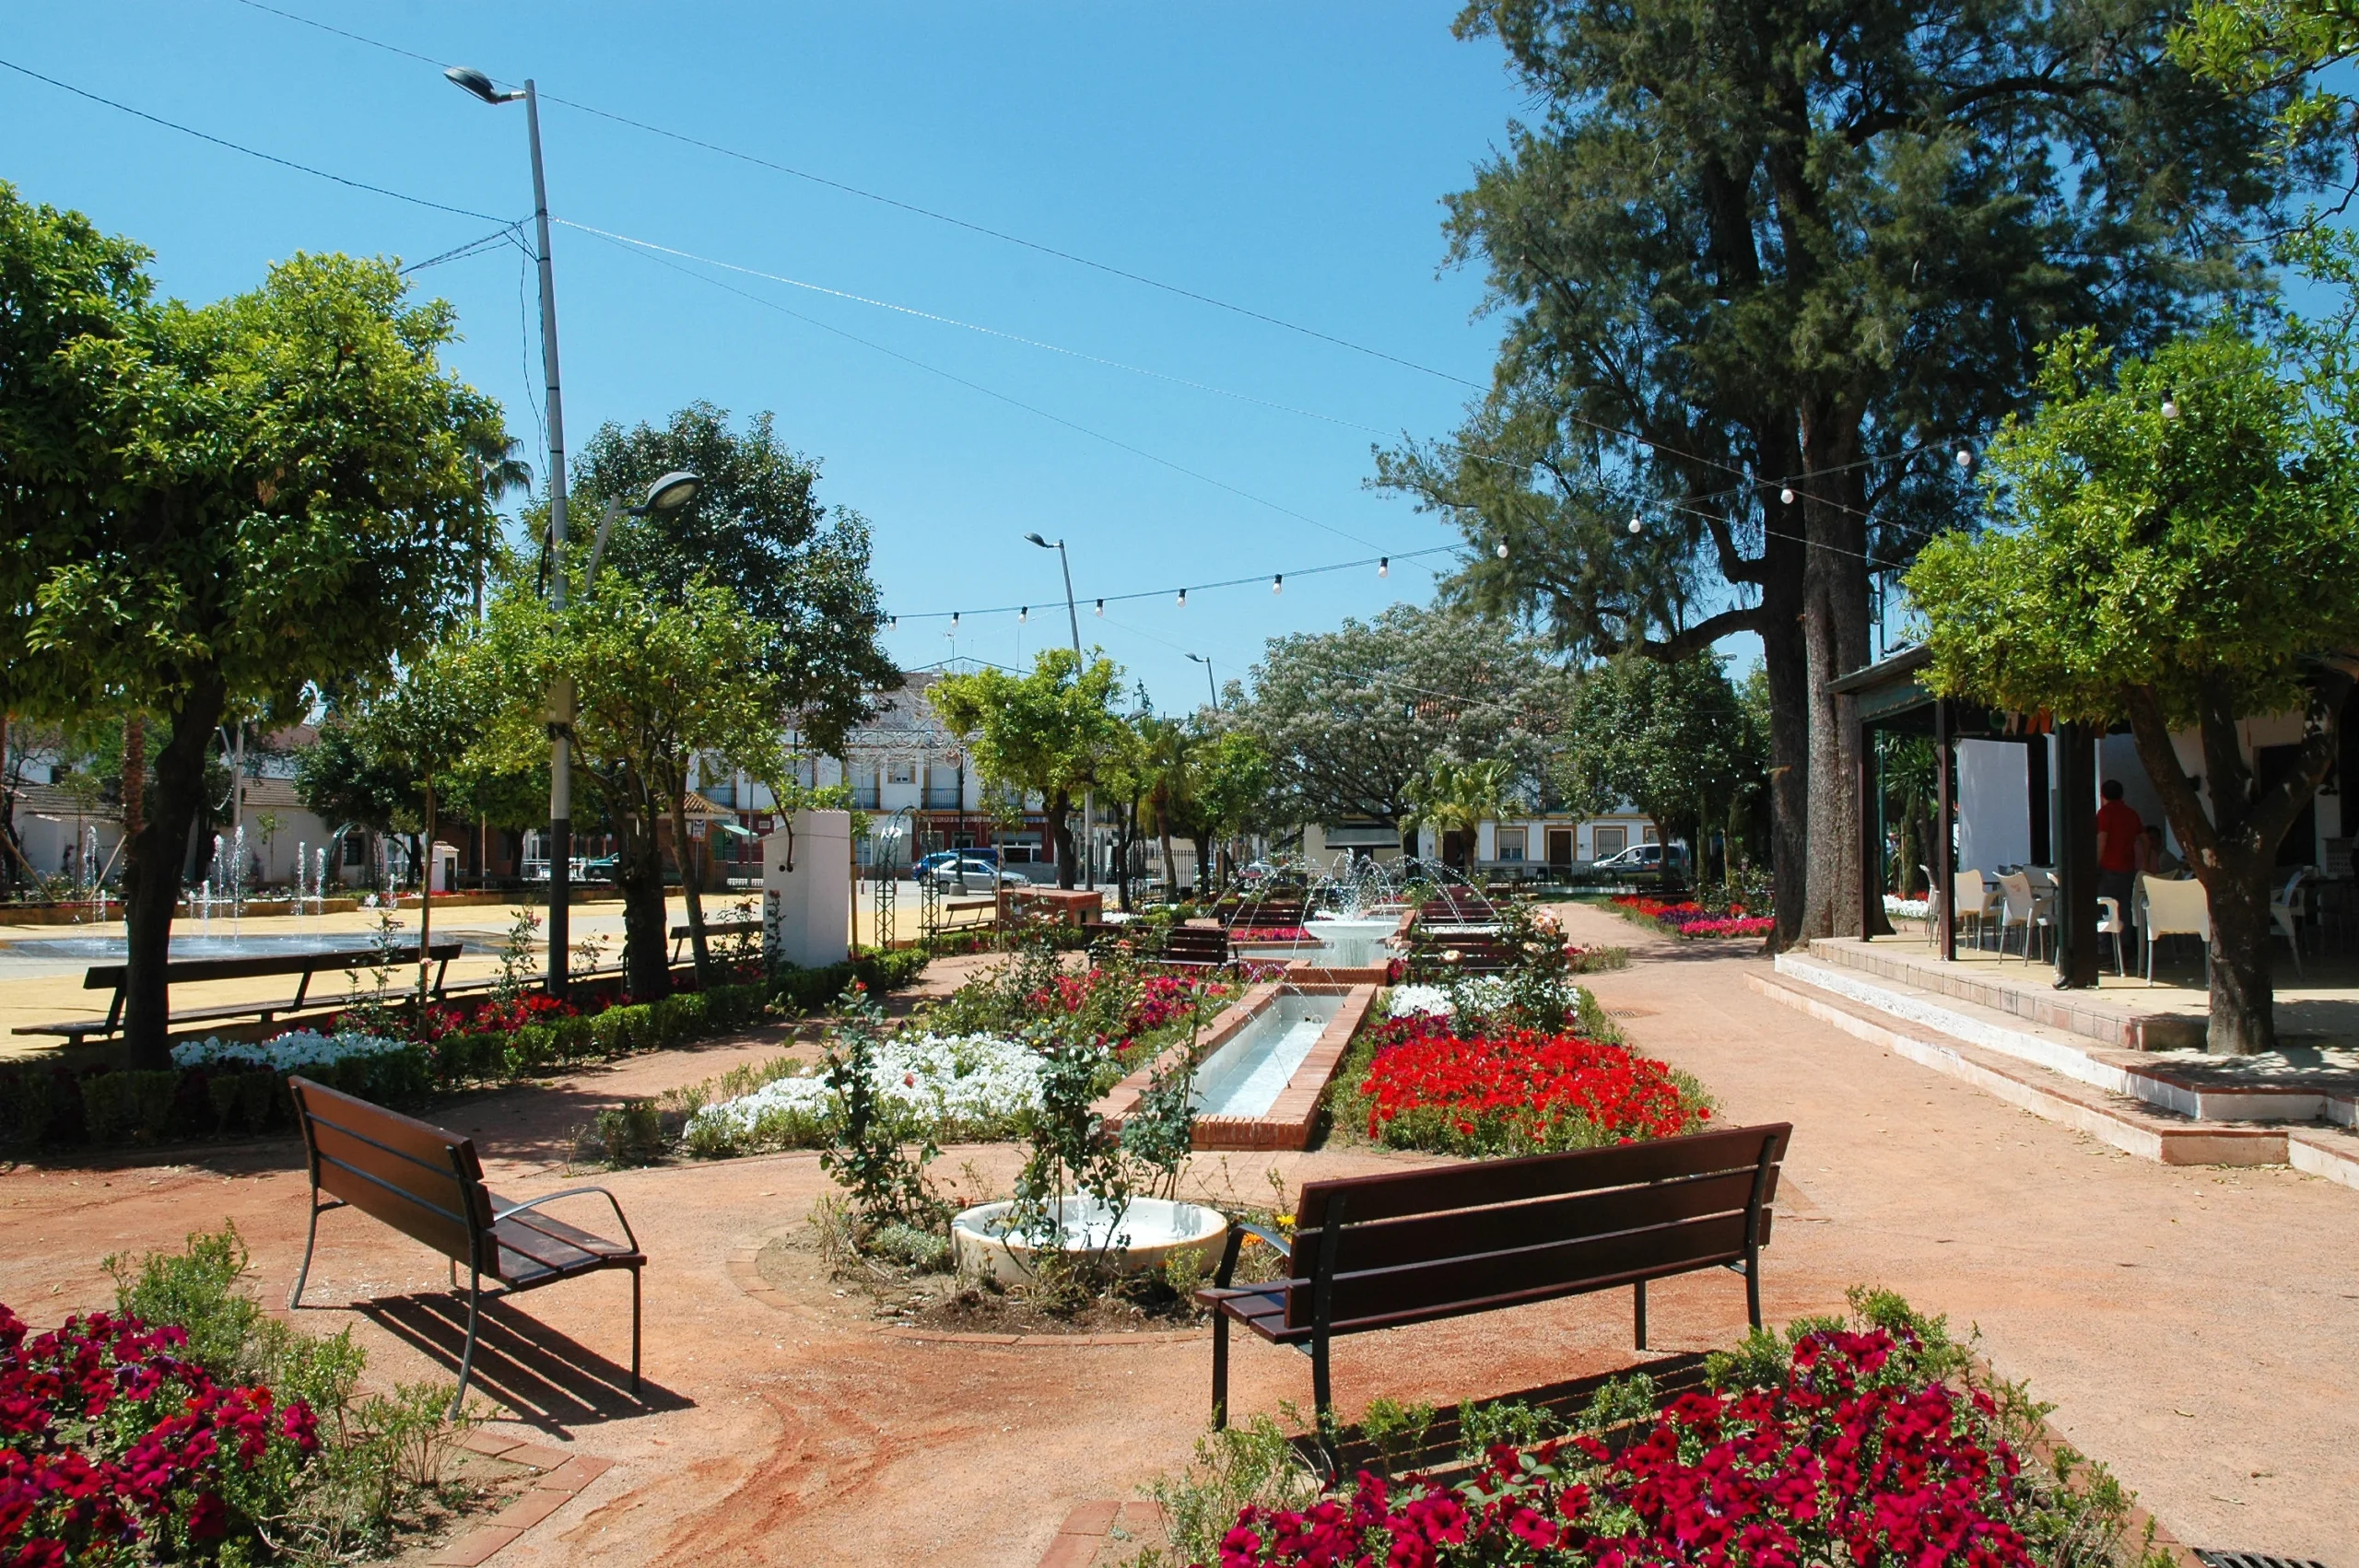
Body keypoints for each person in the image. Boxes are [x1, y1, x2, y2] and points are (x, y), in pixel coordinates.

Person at [2095, 778, 2143, 930]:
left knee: (2105, 906)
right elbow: (2145, 839)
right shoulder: (2131, 814)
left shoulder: (2104, 813)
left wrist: (2096, 862)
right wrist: (2145, 862)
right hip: (2128, 866)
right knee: (2125, 907)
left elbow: (2102, 839)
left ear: (2102, 795)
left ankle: (2105, 946)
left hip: (2108, 865)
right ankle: (2125, 944)